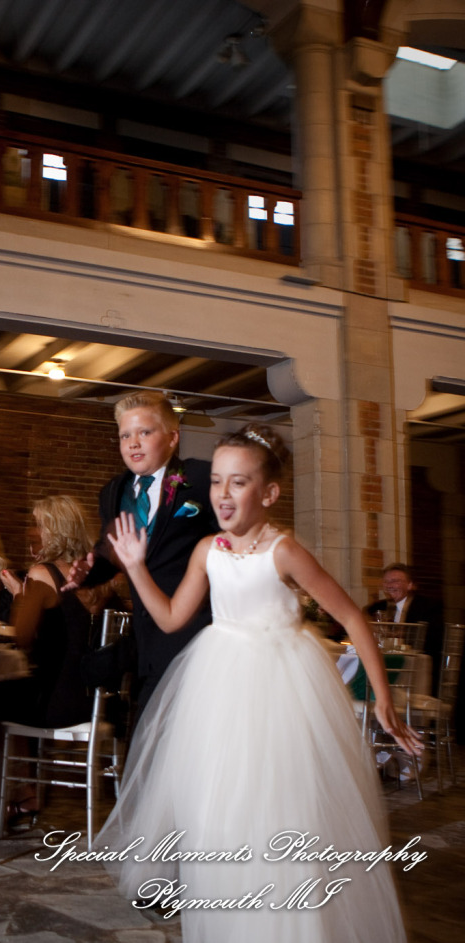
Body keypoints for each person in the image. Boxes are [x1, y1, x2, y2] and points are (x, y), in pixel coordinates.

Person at [96, 423, 422, 943]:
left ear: (268, 492)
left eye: (238, 483)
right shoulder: (207, 550)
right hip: (218, 687)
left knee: (283, 808)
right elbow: (171, 618)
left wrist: (382, 697)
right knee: (220, 812)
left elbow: (355, 620)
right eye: (217, 481)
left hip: (282, 690)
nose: (222, 494)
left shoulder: (284, 551)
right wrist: (136, 567)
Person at [68, 390, 217, 715]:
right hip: (145, 638)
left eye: (144, 432)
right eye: (125, 435)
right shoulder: (113, 492)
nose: (133, 442)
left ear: (173, 437)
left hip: (197, 630)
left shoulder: (201, 479)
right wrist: (87, 572)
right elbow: (111, 554)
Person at [0, 497, 97, 730]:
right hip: (95, 701)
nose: (32, 531)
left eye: (38, 524)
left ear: (54, 532)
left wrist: (20, 593)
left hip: (56, 699)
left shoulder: (42, 574)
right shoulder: (97, 575)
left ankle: (21, 766)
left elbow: (23, 637)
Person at [365, 562, 444, 692]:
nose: (390, 585)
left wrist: (400, 636)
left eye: (395, 581)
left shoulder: (429, 607)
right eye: (386, 582)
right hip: (385, 664)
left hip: (416, 667)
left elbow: (433, 639)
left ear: (410, 585)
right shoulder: (376, 608)